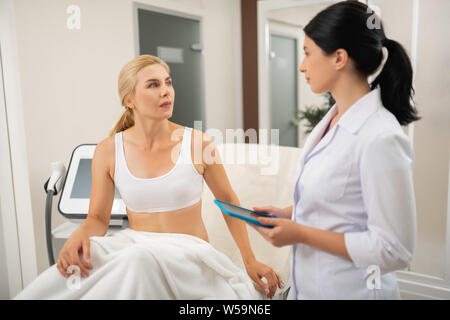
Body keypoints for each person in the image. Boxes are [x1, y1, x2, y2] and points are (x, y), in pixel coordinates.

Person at [15, 54, 281, 299]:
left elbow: (228, 201)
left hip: (188, 256)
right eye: (153, 85)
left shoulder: (198, 144)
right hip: (135, 246)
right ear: (129, 100)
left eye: (168, 82)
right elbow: (97, 219)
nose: (166, 91)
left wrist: (249, 260)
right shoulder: (108, 151)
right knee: (86, 259)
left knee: (138, 261)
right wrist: (76, 240)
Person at [249, 1, 419, 299]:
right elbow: (343, 202)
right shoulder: (331, 122)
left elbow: (395, 249)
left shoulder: (380, 137)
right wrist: (290, 213)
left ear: (339, 58)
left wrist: (300, 233)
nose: (301, 65)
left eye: (307, 53)